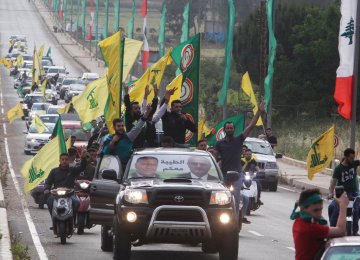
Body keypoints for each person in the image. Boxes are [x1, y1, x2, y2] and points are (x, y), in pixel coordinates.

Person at [214, 101, 265, 214]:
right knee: (221, 201)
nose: (230, 129)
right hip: (223, 176)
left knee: (236, 201)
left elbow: (251, 126)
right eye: (227, 128)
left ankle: (235, 223)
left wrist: (259, 112)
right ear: (224, 130)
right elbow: (214, 158)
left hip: (237, 176)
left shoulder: (239, 140)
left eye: (231, 128)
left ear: (234, 129)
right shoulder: (219, 143)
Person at [292, 188, 348, 260]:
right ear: (303, 209)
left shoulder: (300, 220)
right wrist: (343, 204)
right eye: (315, 210)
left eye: (321, 209)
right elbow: (341, 231)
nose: (319, 214)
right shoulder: (310, 228)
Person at [102, 105, 152, 169]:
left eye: (122, 126)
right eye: (119, 126)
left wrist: (147, 112)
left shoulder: (128, 137)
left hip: (128, 168)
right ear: (114, 127)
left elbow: (138, 126)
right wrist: (113, 142)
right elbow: (105, 154)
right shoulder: (109, 138)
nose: (121, 128)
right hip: (113, 168)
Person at [44, 152, 88, 218]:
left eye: (66, 159)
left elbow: (82, 167)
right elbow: (48, 182)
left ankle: (72, 219)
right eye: (62, 159)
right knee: (49, 201)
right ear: (60, 160)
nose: (64, 161)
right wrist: (46, 189)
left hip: (70, 195)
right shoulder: (54, 171)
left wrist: (84, 158)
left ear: (69, 160)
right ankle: (54, 219)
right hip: (56, 195)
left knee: (77, 203)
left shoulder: (73, 170)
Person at [328, 148, 360, 235]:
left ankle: (355, 231)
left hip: (355, 192)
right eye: (351, 158)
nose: (352, 160)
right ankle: (333, 230)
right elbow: (333, 182)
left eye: (353, 158)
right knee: (334, 208)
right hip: (342, 193)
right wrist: (331, 193)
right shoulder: (338, 169)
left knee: (357, 209)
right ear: (345, 157)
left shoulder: (354, 164)